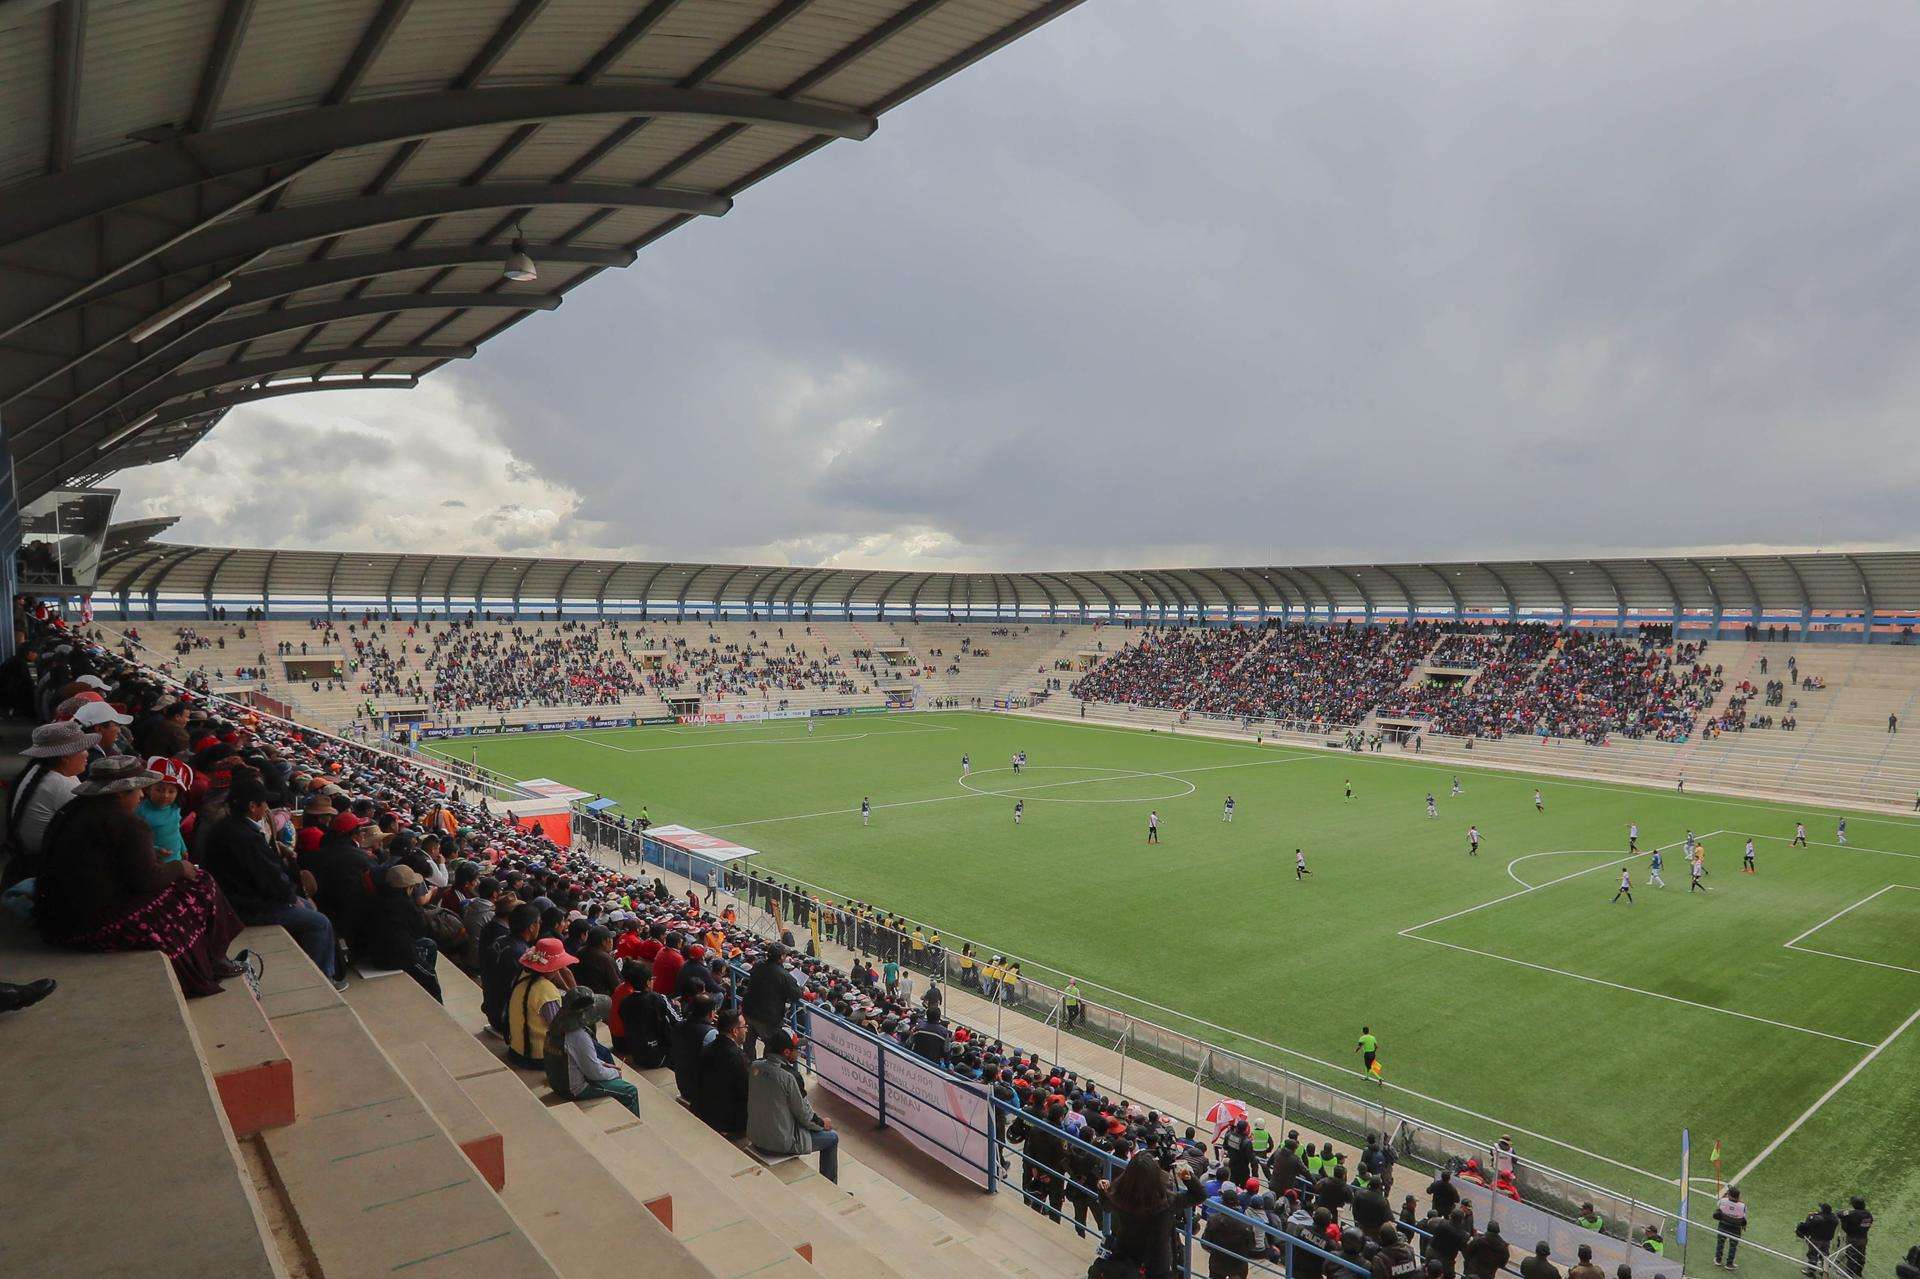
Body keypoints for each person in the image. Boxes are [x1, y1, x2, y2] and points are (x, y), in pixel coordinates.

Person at [32, 756, 246, 999]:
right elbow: (147, 880)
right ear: (120, 794)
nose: (142, 796)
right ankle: (214, 958)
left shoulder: (75, 810)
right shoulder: (128, 823)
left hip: (58, 919)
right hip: (92, 924)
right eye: (137, 790)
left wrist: (147, 852)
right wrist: (179, 867)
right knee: (201, 883)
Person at [201, 776, 346, 991]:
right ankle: (325, 980)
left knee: (307, 906)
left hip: (243, 898)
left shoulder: (230, 827)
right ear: (252, 806)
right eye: (264, 803)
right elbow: (267, 877)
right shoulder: (244, 836)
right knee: (319, 922)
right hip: (249, 906)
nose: (266, 807)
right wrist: (290, 899)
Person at [6, 719, 98, 880]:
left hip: (26, 859)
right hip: (46, 865)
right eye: (83, 749)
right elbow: (92, 829)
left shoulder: (38, 769)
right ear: (65, 757)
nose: (87, 753)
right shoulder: (60, 784)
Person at [1098, 1150, 1207, 1279]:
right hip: (1157, 1260)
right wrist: (1187, 1177)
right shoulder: (1168, 1201)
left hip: (1125, 1253)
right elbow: (1200, 1195)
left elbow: (1106, 1206)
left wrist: (1102, 1189)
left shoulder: (1118, 1195)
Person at [748, 1029, 838, 1182]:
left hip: (755, 1136)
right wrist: (823, 1123)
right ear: (787, 1052)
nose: (799, 1052)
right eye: (797, 1049)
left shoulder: (755, 1066)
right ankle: (832, 1186)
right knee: (832, 1137)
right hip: (779, 1143)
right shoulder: (790, 1077)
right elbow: (806, 1116)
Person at [543, 988, 641, 1117]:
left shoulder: (557, 1026)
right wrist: (615, 1072)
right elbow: (594, 1073)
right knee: (630, 1091)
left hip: (557, 1082)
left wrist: (603, 1064)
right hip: (573, 1089)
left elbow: (579, 1058)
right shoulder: (578, 1036)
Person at [365, 864, 442, 1002]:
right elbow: (420, 931)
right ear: (408, 887)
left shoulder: (374, 898)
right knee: (430, 976)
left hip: (376, 950)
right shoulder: (405, 905)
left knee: (429, 945)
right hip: (393, 956)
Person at [506, 937, 576, 1067]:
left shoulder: (521, 977)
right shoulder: (546, 991)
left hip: (515, 1051)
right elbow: (560, 1028)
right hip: (538, 1058)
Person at [694, 1009, 751, 1136]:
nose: (746, 1030)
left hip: (706, 1114)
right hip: (730, 1124)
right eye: (744, 1026)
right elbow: (747, 1092)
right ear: (735, 1031)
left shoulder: (707, 1049)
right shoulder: (738, 1058)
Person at [743, 942, 802, 1060]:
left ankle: (748, 1064)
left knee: (748, 1043)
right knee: (771, 1046)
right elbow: (796, 995)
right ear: (781, 957)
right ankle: (764, 1069)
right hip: (768, 1018)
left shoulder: (758, 965)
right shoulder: (784, 975)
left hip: (749, 1011)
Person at [1199, 1184, 1259, 1278]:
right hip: (1238, 1266)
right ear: (1237, 1203)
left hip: (1217, 1264)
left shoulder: (1213, 1220)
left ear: (1222, 1202)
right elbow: (1251, 1246)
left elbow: (1205, 1243)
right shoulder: (1246, 1225)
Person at [1796, 1203, 1838, 1277]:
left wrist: (1810, 1216)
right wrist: (1817, 1214)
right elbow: (1827, 1216)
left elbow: (1807, 1225)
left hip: (1816, 1239)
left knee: (1812, 1254)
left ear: (1822, 1210)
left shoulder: (1817, 1218)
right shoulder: (1834, 1219)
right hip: (1827, 1240)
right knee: (1825, 1255)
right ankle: (1825, 1271)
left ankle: (1811, 1271)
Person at [1714, 1186, 1748, 1270]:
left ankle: (1718, 1260)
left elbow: (1718, 1205)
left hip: (1723, 1225)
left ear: (1729, 1195)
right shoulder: (1743, 1206)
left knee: (1720, 1243)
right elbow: (1743, 1216)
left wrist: (1724, 1197)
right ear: (1738, 1196)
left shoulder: (1723, 1201)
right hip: (1735, 1229)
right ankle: (1729, 1264)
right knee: (1733, 1246)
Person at [1838, 1196, 1873, 1277]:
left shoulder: (1853, 1214)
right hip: (1863, 1238)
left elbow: (1839, 1214)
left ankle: (1849, 1273)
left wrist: (1846, 1211)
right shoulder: (1868, 1214)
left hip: (1853, 1238)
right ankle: (1858, 1272)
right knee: (1861, 1255)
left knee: (1851, 1255)